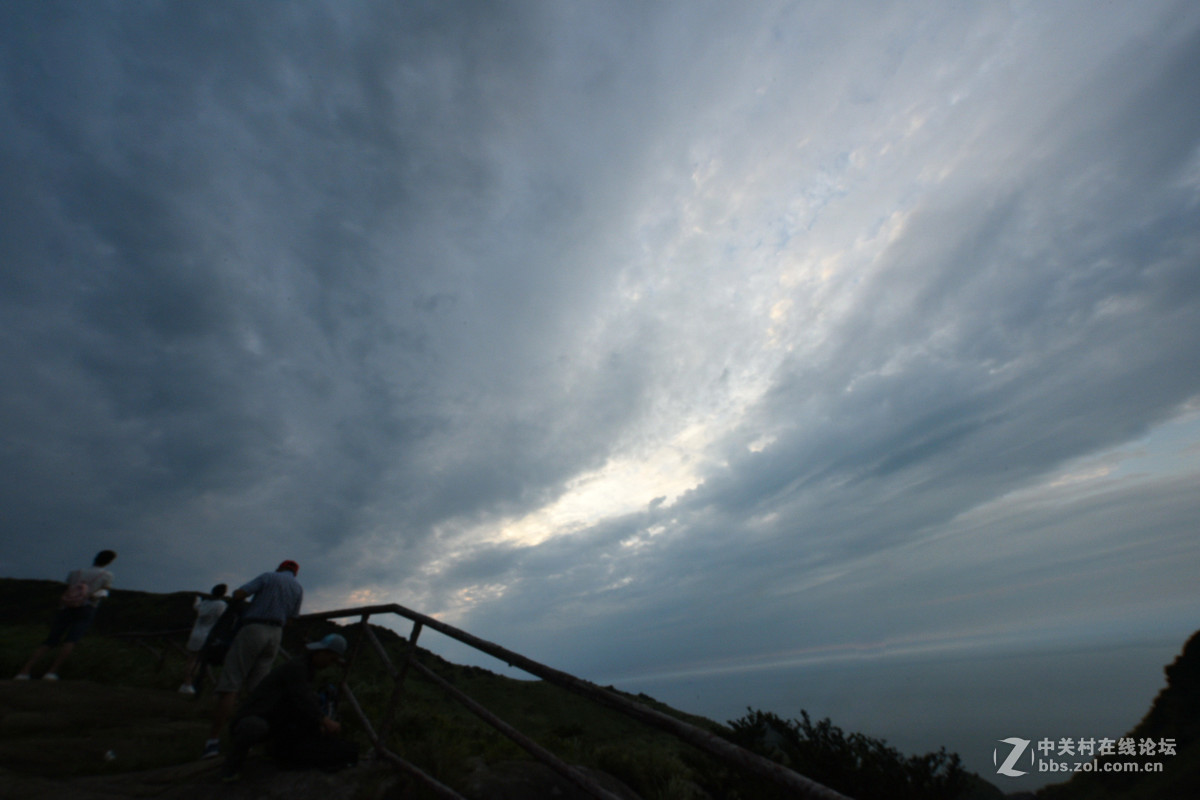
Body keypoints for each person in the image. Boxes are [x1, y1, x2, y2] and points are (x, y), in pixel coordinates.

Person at [221, 633, 358, 781]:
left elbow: (301, 701)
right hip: (256, 718)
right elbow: (302, 697)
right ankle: (231, 768)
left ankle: (275, 750)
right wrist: (324, 720)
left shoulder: (305, 669)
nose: (329, 663)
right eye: (331, 659)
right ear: (321, 653)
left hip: (275, 719)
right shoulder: (297, 669)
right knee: (254, 726)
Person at [202, 560, 303, 759]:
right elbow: (292, 619)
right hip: (276, 635)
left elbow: (240, 594)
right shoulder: (298, 588)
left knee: (231, 683)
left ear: (280, 568)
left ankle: (212, 741)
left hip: (254, 628)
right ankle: (246, 741)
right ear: (295, 574)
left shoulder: (268, 577)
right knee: (258, 690)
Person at [15, 550, 117, 681]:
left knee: (50, 640)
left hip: (66, 607)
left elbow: (69, 588)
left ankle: (24, 671)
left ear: (95, 558)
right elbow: (103, 592)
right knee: (71, 640)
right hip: (87, 608)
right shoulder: (107, 575)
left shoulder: (75, 572)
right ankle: (51, 672)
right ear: (109, 561)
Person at [179, 583, 229, 695]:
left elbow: (196, 607)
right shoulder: (221, 605)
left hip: (195, 634)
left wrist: (197, 600)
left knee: (191, 660)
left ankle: (186, 683)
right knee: (198, 662)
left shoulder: (205, 603)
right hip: (206, 636)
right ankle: (190, 685)